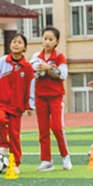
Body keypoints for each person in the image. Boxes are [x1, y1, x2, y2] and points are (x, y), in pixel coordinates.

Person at [0, 32, 35, 177]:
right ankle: (2, 144)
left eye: (19, 42)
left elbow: (30, 87)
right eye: (14, 41)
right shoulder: (2, 61)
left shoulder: (27, 67)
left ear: (25, 47)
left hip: (17, 105)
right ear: (9, 45)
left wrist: (30, 105)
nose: (16, 44)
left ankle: (15, 162)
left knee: (14, 134)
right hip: (1, 102)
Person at [32, 26, 73, 170]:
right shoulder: (36, 57)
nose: (47, 42)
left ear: (57, 41)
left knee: (56, 127)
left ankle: (65, 156)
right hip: (40, 96)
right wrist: (37, 71)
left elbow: (62, 74)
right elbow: (33, 75)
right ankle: (46, 160)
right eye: (45, 39)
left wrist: (48, 68)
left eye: (51, 39)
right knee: (43, 129)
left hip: (55, 96)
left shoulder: (59, 57)